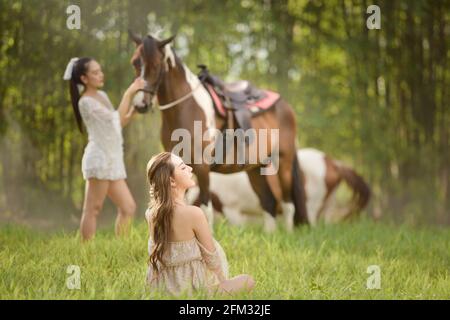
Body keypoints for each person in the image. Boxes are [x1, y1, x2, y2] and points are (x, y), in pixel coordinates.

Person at [145, 152, 255, 296]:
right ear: (172, 181)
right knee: (248, 280)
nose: (191, 169)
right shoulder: (193, 213)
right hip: (193, 289)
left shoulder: (151, 213)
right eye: (183, 168)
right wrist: (223, 281)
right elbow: (211, 256)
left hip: (162, 287)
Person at [63, 57, 145, 241]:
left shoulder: (103, 96)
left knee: (128, 207)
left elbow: (118, 123)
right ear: (84, 79)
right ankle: (85, 252)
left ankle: (120, 247)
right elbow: (115, 119)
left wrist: (133, 110)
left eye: (100, 71)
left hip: (113, 160)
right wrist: (130, 93)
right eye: (95, 72)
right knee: (93, 208)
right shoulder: (85, 102)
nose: (101, 75)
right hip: (99, 159)